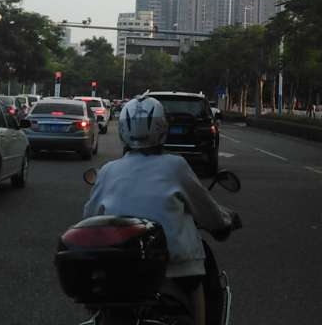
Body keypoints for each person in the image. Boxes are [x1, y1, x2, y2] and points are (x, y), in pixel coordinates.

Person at [83, 95, 238, 324]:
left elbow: (89, 218)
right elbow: (207, 210)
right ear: (162, 128)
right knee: (200, 283)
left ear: (123, 130)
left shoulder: (108, 170)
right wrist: (225, 221)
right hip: (175, 267)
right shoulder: (175, 166)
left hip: (120, 268)